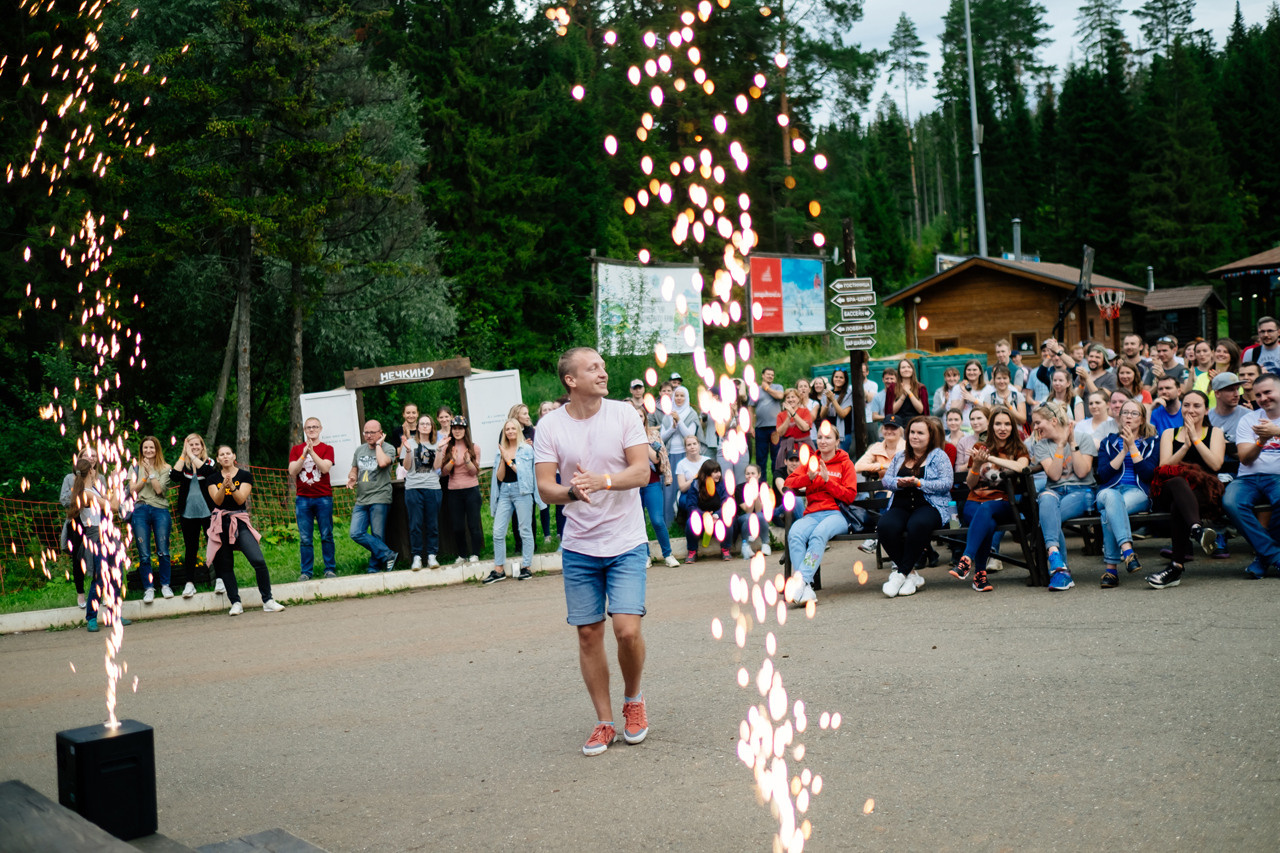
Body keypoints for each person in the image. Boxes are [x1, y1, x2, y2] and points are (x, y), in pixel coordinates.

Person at [534, 347, 654, 756]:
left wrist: (602, 482)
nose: (603, 373)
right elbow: (545, 487)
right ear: (571, 380)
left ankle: (633, 699)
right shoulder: (549, 425)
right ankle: (604, 722)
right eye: (593, 368)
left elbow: (642, 471)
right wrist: (572, 491)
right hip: (580, 547)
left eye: (602, 366)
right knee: (588, 634)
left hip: (625, 541)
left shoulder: (622, 413)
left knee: (627, 630)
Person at [1144, 390, 1225, 589]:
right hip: (1170, 488)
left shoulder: (1215, 433)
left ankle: (1176, 568)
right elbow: (1163, 468)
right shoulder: (1169, 434)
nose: (1190, 410)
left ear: (1206, 410)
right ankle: (1197, 531)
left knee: (1178, 506)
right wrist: (1184, 447)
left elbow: (1215, 465)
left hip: (1203, 492)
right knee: (1178, 483)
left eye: (1197, 406)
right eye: (1186, 405)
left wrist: (1196, 440)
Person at [949, 406, 1029, 592]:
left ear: (1012, 427)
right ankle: (980, 576)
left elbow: (1020, 467)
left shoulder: (1019, 449)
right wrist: (976, 464)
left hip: (1003, 504)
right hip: (973, 501)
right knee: (988, 523)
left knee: (986, 509)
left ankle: (966, 558)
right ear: (991, 426)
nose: (1003, 428)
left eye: (1007, 424)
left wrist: (991, 457)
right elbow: (970, 483)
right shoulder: (979, 448)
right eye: (998, 423)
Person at [205, 445, 284, 616]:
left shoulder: (244, 476)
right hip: (220, 523)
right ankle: (235, 602)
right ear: (218, 459)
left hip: (239, 521)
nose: (225, 457)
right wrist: (222, 486)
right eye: (221, 455)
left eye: (228, 453)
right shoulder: (212, 478)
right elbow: (217, 501)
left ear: (233, 456)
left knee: (258, 560)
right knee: (225, 565)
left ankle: (268, 600)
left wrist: (232, 486)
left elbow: (241, 498)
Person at [784, 423, 858, 606]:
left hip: (836, 514)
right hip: (812, 514)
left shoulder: (845, 463)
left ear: (837, 441)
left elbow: (849, 496)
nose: (823, 441)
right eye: (820, 438)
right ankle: (806, 587)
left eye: (828, 438)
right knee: (794, 533)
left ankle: (800, 581)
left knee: (818, 535)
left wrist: (827, 481)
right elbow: (789, 482)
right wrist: (807, 477)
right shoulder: (811, 461)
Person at [879, 416, 952, 598]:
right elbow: (886, 480)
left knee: (917, 525)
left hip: (929, 505)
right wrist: (899, 482)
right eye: (912, 432)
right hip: (901, 504)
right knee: (885, 526)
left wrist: (920, 483)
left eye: (920, 433)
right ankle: (911, 574)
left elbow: (947, 483)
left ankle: (900, 574)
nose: (915, 436)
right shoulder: (900, 456)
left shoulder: (938, 456)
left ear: (930, 436)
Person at [1031, 402, 1098, 591]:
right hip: (1056, 492)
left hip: (1082, 492)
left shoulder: (1084, 438)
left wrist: (1071, 442)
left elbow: (1083, 471)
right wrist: (1060, 445)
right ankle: (1056, 558)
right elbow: (1053, 476)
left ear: (1053, 421)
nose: (1035, 428)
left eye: (1038, 423)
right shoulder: (1042, 446)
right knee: (1045, 497)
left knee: (1050, 517)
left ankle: (1060, 571)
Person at [1095, 399, 1159, 587]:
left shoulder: (1153, 442)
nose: (1129, 417)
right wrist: (1123, 452)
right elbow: (1104, 476)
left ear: (1142, 419)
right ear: (1119, 417)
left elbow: (1148, 474)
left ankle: (1111, 571)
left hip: (1137, 491)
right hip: (1109, 491)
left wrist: (1132, 447)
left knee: (1109, 512)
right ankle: (1127, 551)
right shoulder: (1108, 442)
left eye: (1134, 413)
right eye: (1125, 413)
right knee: (1111, 496)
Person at [1223, 373, 1280, 579]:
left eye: (1268, 392)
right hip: (1248, 478)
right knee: (1231, 502)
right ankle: (1275, 555)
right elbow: (1246, 459)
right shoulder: (1248, 419)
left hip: (1278, 478)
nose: (1263, 398)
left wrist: (1277, 431)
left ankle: (1263, 558)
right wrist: (1261, 441)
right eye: (1258, 395)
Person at [68, 455, 125, 632]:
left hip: (107, 534)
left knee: (116, 574)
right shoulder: (87, 494)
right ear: (90, 472)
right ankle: (92, 617)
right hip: (96, 537)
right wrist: (117, 484)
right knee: (100, 577)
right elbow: (114, 507)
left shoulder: (93, 489)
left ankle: (114, 614)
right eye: (93, 469)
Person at [485, 418, 544, 583]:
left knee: (525, 530)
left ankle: (526, 567)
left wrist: (509, 460)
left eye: (512, 428)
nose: (510, 431)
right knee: (497, 532)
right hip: (505, 491)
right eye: (507, 429)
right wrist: (503, 458)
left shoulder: (526, 449)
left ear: (518, 430)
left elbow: (524, 475)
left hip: (522, 491)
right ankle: (499, 569)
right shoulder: (500, 451)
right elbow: (500, 477)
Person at [347, 420, 399, 573]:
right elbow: (354, 470)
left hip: (380, 497)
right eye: (366, 432)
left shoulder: (388, 448)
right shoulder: (359, 450)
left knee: (377, 534)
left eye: (372, 432)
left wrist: (378, 445)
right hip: (362, 499)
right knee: (355, 533)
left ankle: (373, 568)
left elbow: (383, 463)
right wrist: (351, 477)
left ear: (380, 433)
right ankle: (388, 554)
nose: (368, 435)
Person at [169, 433, 217, 598]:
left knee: (213, 544)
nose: (195, 447)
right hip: (188, 513)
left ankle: (220, 579)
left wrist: (191, 455)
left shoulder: (209, 461)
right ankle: (189, 583)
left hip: (208, 512)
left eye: (197, 444)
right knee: (191, 548)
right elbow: (174, 477)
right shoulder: (184, 464)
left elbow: (208, 472)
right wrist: (184, 455)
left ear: (202, 446)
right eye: (191, 445)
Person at [289, 417, 337, 580]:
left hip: (323, 497)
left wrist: (312, 452)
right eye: (309, 427)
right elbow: (292, 471)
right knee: (305, 538)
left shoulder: (327, 448)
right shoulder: (296, 449)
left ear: (320, 429)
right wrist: (303, 455)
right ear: (304, 429)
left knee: (326, 534)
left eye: (315, 427)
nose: (312, 430)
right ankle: (306, 572)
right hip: (303, 499)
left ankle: (330, 569)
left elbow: (324, 468)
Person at [129, 436, 172, 603]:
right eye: (145, 448)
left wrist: (152, 474)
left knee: (163, 549)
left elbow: (159, 490)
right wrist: (144, 477)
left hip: (160, 509)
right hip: (140, 509)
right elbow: (133, 489)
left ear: (157, 450)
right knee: (144, 553)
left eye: (151, 448)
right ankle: (148, 588)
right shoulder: (134, 467)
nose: (148, 451)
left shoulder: (166, 468)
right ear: (141, 450)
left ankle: (165, 585)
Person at [400, 414, 442, 570]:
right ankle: (416, 557)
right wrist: (409, 452)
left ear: (432, 427)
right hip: (413, 488)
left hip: (433, 488)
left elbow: (437, 466)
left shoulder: (437, 444)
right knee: (415, 524)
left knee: (432, 524)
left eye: (428, 424)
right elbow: (406, 467)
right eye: (422, 423)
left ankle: (432, 556)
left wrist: (439, 449)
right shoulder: (409, 443)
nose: (425, 426)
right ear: (417, 427)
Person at [442, 416, 483, 564]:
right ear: (451, 430)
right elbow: (444, 472)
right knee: (458, 526)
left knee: (473, 524)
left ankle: (475, 553)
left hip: (471, 489)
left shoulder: (474, 447)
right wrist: (452, 460)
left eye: (460, 428)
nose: (457, 431)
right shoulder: (447, 448)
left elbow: (474, 472)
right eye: (454, 428)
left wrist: (467, 461)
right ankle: (462, 554)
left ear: (465, 430)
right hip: (454, 491)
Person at [640, 423, 680, 568]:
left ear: (644, 418)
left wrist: (640, 439)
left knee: (657, 520)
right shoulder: (622, 435)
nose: (637, 418)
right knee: (638, 522)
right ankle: (645, 555)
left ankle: (668, 554)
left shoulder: (652, 435)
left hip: (652, 482)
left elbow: (657, 459)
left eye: (640, 416)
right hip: (633, 486)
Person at [60, 448, 94, 608]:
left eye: (93, 455)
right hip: (77, 521)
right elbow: (64, 500)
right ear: (80, 459)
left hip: (95, 521)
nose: (90, 458)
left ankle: (99, 590)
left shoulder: (100, 477)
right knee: (78, 557)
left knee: (98, 557)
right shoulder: (69, 478)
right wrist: (83, 499)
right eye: (86, 455)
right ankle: (80, 593)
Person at [680, 458, 732, 562]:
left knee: (728, 520)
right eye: (715, 472)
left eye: (719, 471)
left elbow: (727, 503)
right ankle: (692, 551)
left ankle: (725, 549)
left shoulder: (723, 484)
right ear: (707, 474)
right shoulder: (695, 485)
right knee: (690, 522)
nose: (718, 475)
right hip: (701, 519)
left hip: (718, 519)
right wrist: (705, 515)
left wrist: (716, 515)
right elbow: (691, 506)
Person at [663, 385, 702, 517]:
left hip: (686, 455)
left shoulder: (691, 414)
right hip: (669, 454)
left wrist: (679, 421)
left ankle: (685, 517)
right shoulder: (668, 414)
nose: (679, 398)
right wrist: (672, 428)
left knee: (685, 487)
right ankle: (668, 521)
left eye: (682, 396)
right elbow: (662, 437)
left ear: (687, 398)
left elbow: (689, 435)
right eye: (677, 395)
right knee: (669, 488)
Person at [753, 367, 785, 482]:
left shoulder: (778, 387)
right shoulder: (755, 389)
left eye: (772, 375)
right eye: (768, 374)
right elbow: (751, 408)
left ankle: (777, 483)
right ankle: (762, 484)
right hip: (760, 428)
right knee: (761, 458)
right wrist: (751, 426)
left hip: (775, 429)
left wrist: (766, 388)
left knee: (776, 458)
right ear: (762, 375)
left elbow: (780, 396)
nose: (770, 376)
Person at [734, 464, 772, 559]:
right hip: (744, 517)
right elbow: (747, 511)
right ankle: (745, 545)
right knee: (750, 517)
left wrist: (757, 497)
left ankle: (765, 544)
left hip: (759, 516)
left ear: (759, 475)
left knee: (760, 516)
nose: (750, 476)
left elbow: (759, 510)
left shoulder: (764, 487)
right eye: (747, 474)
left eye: (753, 473)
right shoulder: (739, 488)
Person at [772, 387, 813, 474]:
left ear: (798, 399)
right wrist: (788, 417)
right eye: (788, 397)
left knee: (807, 471)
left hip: (804, 446)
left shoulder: (805, 411)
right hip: (787, 447)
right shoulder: (780, 415)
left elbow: (805, 428)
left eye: (793, 397)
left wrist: (793, 413)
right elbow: (780, 433)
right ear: (785, 400)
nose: (791, 400)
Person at [1207, 372, 1247, 443]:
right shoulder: (1207, 417)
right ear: (1217, 393)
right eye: (1231, 390)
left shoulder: (1248, 416)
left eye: (1237, 389)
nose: (1237, 394)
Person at [824, 368, 855, 452]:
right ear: (832, 378)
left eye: (841, 377)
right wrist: (827, 403)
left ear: (845, 380)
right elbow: (822, 415)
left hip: (843, 435)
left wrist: (833, 400)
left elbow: (843, 414)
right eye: (836, 377)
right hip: (829, 433)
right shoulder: (828, 393)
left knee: (841, 460)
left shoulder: (849, 394)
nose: (838, 379)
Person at [955, 406, 988, 473]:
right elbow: (957, 470)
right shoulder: (963, 441)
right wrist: (973, 461)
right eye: (972, 419)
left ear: (988, 420)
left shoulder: (995, 440)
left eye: (979, 418)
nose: (975, 422)